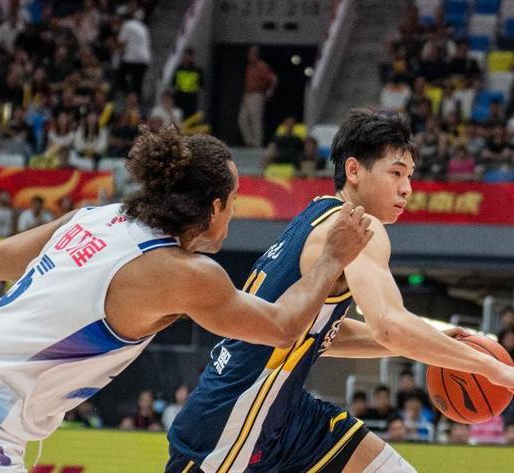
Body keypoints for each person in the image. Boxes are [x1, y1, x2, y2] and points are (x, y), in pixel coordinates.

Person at [0, 126, 372, 473]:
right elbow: (282, 328)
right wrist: (331, 258)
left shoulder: (93, 217)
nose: (235, 212)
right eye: (234, 200)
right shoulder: (184, 273)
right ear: (214, 206)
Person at [167, 110, 514, 473]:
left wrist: (433, 342)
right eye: (396, 173)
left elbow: (325, 332)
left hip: (287, 415)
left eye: (409, 176)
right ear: (353, 171)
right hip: (234, 421)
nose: (406, 189)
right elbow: (387, 325)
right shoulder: (360, 226)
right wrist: (492, 369)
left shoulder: (317, 213)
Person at [238, 46, 278, 148]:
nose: (251, 55)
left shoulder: (262, 66)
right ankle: (249, 142)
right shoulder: (249, 67)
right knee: (242, 119)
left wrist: (270, 90)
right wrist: (244, 97)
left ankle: (257, 144)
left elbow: (273, 79)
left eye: (253, 53)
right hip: (248, 95)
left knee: (255, 120)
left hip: (257, 94)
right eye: (250, 53)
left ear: (257, 54)